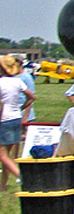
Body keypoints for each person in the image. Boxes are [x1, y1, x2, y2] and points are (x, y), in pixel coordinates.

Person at [0, 55, 35, 191]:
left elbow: (1, 104)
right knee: (7, 156)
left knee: (2, 156)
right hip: (16, 118)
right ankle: (3, 186)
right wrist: (22, 107)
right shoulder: (18, 82)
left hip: (4, 120)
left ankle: (24, 178)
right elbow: (32, 97)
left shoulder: (1, 82)